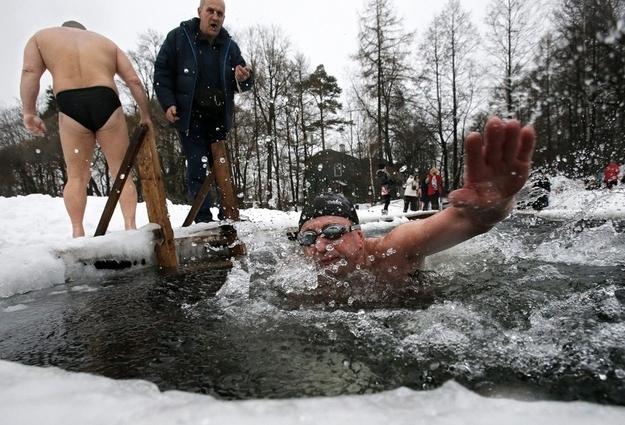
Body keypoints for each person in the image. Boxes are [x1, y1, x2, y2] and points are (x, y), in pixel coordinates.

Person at [296, 117, 535, 282]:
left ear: (359, 236)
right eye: (308, 237)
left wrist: (486, 210)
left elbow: (465, 221)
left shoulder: (395, 249)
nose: (319, 246)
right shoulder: (303, 283)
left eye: (334, 232)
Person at [20, 21, 152, 238]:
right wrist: (145, 115)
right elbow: (134, 81)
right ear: (85, 31)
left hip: (70, 103)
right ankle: (130, 227)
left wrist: (28, 111)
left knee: (76, 177)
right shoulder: (104, 43)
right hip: (106, 100)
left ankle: (78, 232)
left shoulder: (42, 38)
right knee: (121, 170)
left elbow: (29, 70)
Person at [154, 0, 254, 223]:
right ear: (200, 12)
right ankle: (202, 220)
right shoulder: (179, 38)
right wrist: (167, 102)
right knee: (197, 168)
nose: (215, 17)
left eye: (220, 13)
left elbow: (246, 80)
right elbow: (161, 71)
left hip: (219, 118)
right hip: (191, 118)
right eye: (211, 11)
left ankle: (228, 216)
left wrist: (243, 78)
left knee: (222, 169)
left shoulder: (229, 46)